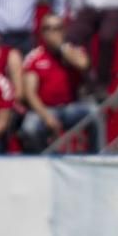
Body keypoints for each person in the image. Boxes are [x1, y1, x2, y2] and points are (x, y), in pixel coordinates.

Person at [21, 14, 95, 153]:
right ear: (42, 33)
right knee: (29, 128)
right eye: (48, 29)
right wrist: (46, 116)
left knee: (95, 112)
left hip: (70, 108)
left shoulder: (74, 50)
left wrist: (62, 48)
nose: (52, 33)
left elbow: (83, 64)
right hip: (45, 109)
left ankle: (95, 155)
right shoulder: (35, 57)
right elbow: (30, 93)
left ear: (64, 31)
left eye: (57, 28)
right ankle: (42, 159)